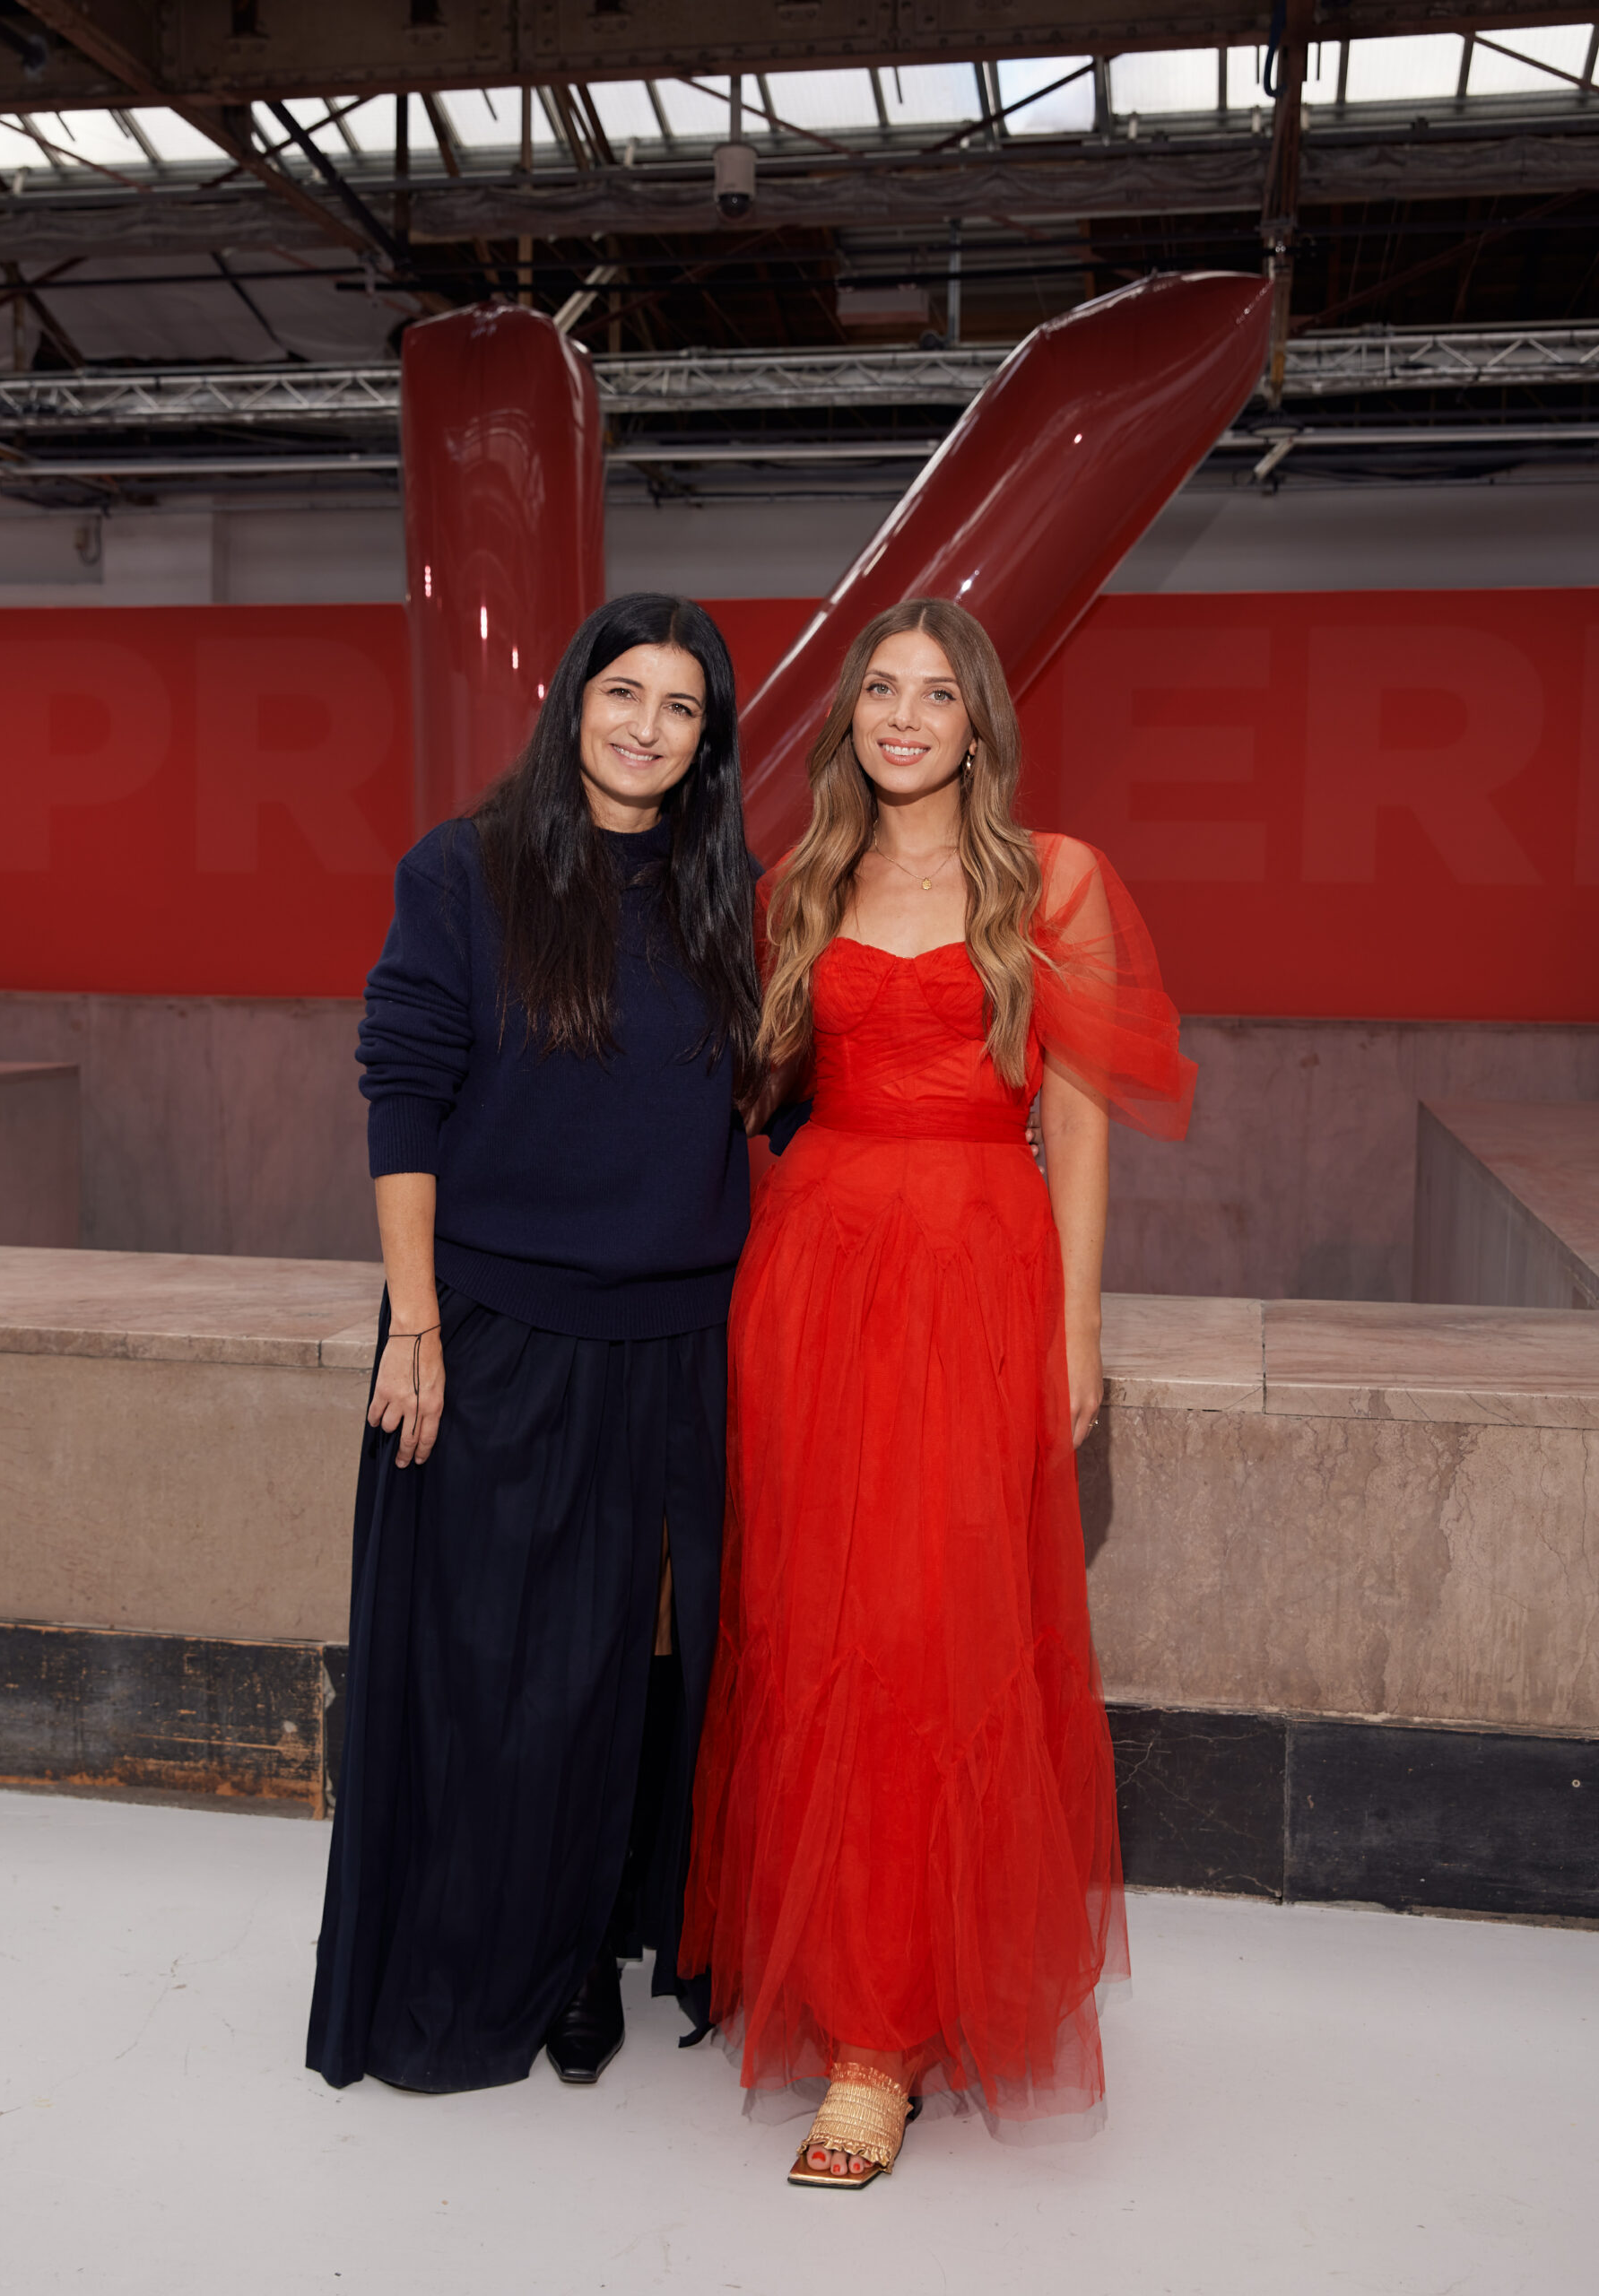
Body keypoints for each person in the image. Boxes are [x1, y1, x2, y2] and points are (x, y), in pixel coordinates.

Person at [681, 597, 1194, 2184]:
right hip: (813, 1280)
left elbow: (1083, 1122)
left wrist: (1077, 1328)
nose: (904, 717)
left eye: (936, 694)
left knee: (933, 1627)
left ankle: (889, 2036)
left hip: (977, 1275)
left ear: (979, 724)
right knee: (814, 1625)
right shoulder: (803, 884)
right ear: (852, 719)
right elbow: (748, 1096)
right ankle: (853, 2004)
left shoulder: (1056, 880)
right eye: (880, 691)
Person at [308, 593, 760, 2094]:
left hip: (684, 1338)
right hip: (501, 1330)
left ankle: (606, 1944)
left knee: (652, 1674)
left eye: (681, 707)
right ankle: (519, 1952)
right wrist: (415, 1322)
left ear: (708, 741)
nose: (647, 727)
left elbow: (792, 1092)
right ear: (573, 700)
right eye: (623, 692)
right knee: (509, 1674)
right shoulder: (465, 871)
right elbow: (404, 1094)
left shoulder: (733, 894)